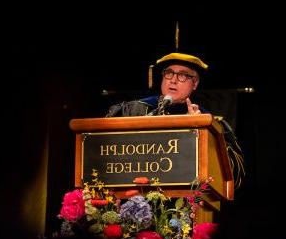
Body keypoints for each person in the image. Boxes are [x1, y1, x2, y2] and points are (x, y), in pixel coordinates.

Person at [105, 52, 245, 189]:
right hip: (132, 198)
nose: (173, 80)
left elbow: (234, 175)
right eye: (169, 73)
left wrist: (200, 133)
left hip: (187, 203)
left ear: (194, 83)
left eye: (183, 75)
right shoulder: (134, 111)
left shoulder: (210, 123)